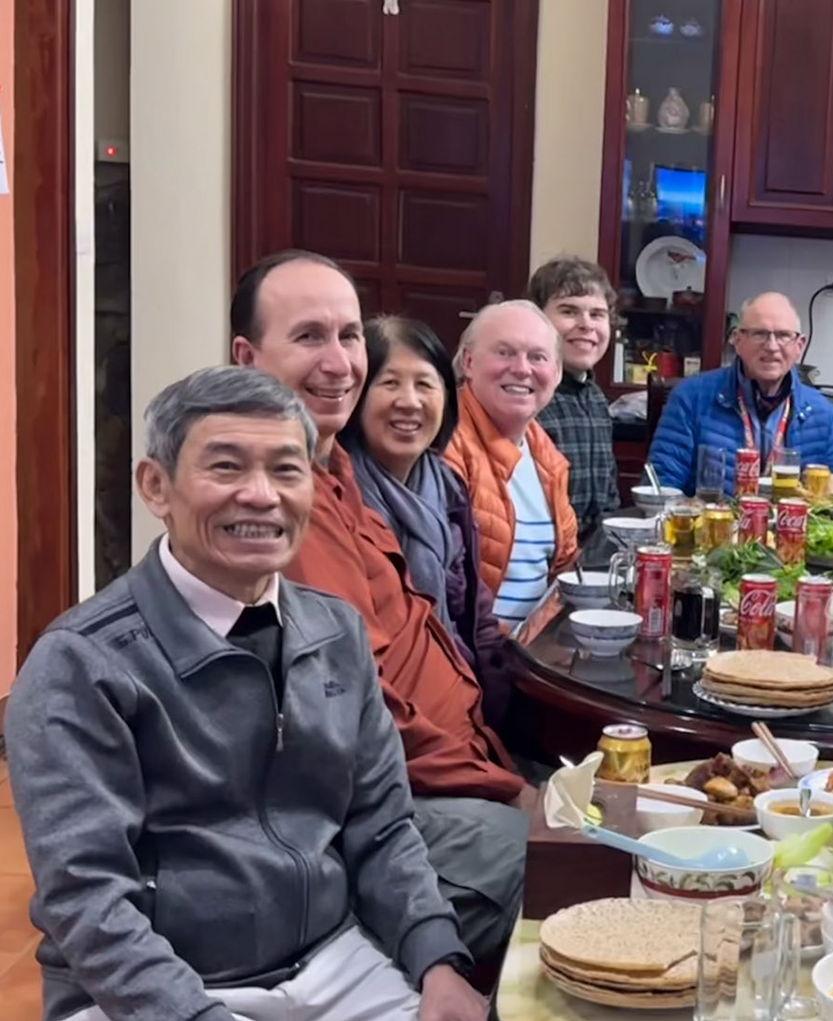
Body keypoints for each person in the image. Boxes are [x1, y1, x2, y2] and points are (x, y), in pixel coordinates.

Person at [7, 367, 572, 1021]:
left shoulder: (330, 631)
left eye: (286, 469)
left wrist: (435, 959)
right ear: (157, 486)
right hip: (144, 1005)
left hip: (327, 968)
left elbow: (382, 823)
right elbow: (86, 904)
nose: (261, 496)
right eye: (225, 467)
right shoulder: (82, 665)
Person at [232, 250, 528, 967]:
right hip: (397, 800)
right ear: (248, 358)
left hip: (458, 758)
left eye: (347, 336)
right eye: (308, 337)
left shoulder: (337, 470)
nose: (339, 363)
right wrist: (508, 789)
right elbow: (357, 715)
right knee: (580, 865)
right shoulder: (279, 504)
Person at [341, 315, 516, 736]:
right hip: (389, 723)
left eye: (425, 384)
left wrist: (503, 714)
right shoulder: (340, 494)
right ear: (357, 397)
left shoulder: (447, 486)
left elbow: (475, 616)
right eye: (389, 383)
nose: (409, 402)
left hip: (462, 700)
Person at [444, 299, 580, 626]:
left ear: (557, 373)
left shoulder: (546, 454)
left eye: (538, 357)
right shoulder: (444, 443)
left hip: (533, 646)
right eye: (504, 352)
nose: (521, 368)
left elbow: (564, 571)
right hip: (478, 651)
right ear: (468, 362)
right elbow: (447, 597)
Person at [646, 291, 833, 493]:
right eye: (759, 334)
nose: (771, 346)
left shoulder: (824, 414)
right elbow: (661, 489)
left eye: (783, 335)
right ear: (738, 341)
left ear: (799, 346)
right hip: (711, 514)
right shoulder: (690, 398)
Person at [531, 255, 622, 563]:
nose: (586, 324)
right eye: (569, 311)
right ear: (538, 319)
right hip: (544, 561)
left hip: (592, 560)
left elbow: (608, 497)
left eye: (597, 314)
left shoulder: (596, 399)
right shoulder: (528, 399)